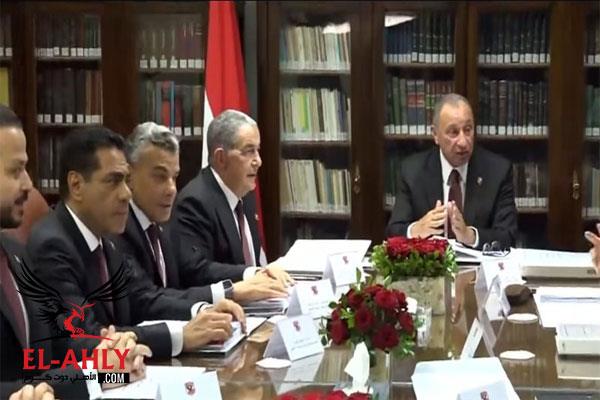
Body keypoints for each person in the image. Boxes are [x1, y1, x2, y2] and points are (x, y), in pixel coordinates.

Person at [27, 126, 245, 362]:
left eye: (125, 180)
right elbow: (82, 338)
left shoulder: (105, 235)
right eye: (113, 181)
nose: (126, 194)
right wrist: (179, 337)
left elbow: (143, 298)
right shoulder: (52, 246)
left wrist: (202, 311)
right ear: (76, 185)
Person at [0, 105, 150, 399]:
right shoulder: (45, 244)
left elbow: (54, 350)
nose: (29, 184)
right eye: (15, 171)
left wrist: (114, 363)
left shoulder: (15, 255)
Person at [115, 122, 288, 304]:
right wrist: (228, 292)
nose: (171, 189)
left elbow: (186, 273)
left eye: (174, 177)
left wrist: (253, 274)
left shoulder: (164, 219)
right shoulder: (118, 229)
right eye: (160, 177)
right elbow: (146, 300)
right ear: (129, 177)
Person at [170, 110, 293, 287]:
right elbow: (197, 270)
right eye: (249, 151)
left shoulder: (244, 193)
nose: (258, 161)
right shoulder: (195, 202)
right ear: (221, 158)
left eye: (257, 150)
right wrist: (252, 274)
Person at [386, 93, 518, 250]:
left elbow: (508, 236)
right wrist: (416, 230)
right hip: (431, 264)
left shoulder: (498, 171)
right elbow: (394, 232)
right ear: (435, 134)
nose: (463, 142)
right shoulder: (412, 171)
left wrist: (471, 236)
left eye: (468, 130)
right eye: (453, 132)